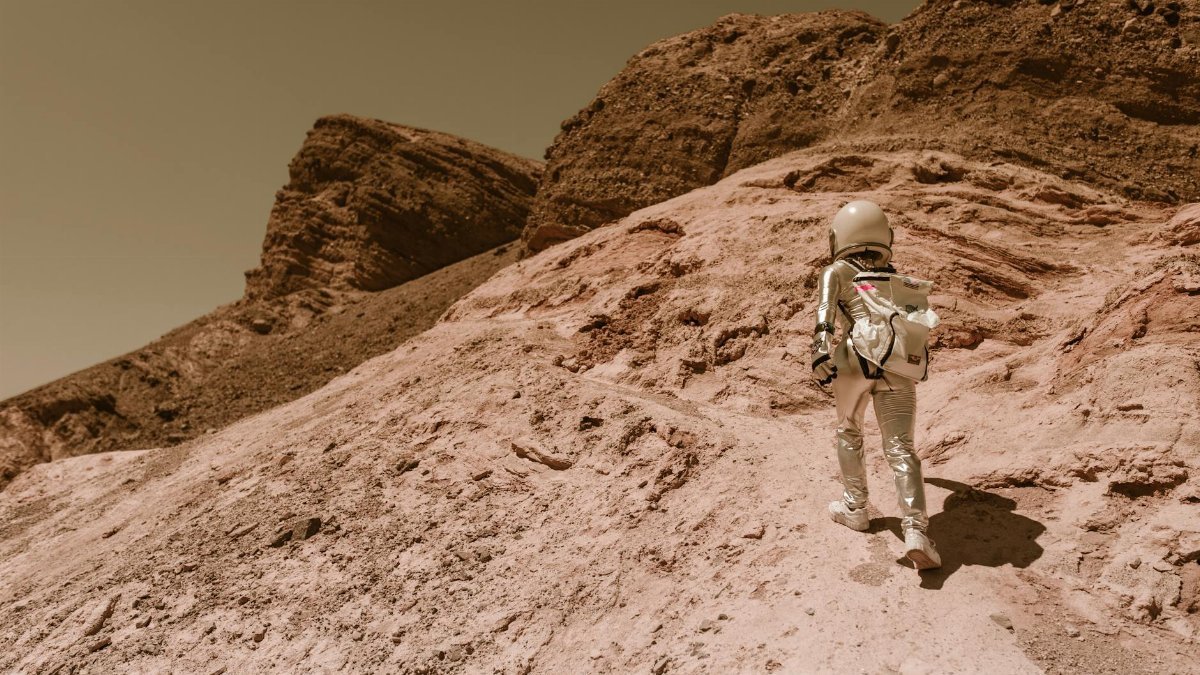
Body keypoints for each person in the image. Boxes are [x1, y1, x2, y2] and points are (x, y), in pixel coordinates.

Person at [810, 200, 941, 570]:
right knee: (901, 448)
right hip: (896, 363)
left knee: (849, 432)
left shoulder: (835, 271)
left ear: (839, 236)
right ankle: (916, 531)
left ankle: (856, 507)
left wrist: (819, 354)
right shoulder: (895, 280)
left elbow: (825, 319)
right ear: (886, 236)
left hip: (853, 358)